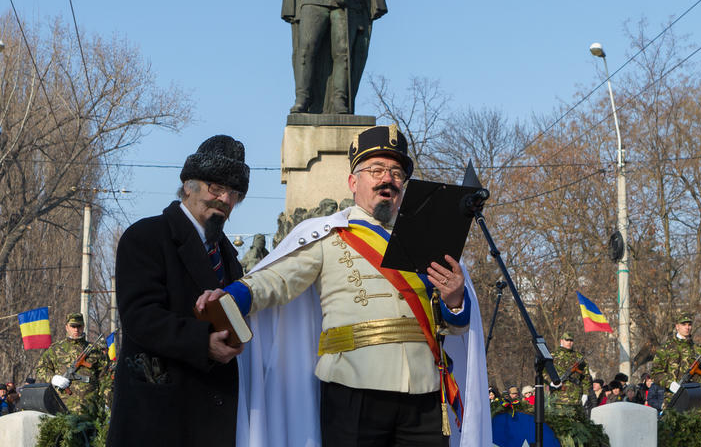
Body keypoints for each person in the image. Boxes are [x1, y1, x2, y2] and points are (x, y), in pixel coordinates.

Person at [197, 124, 490, 446]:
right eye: (376, 170)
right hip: (353, 386)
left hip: (425, 390)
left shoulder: (430, 239)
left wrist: (455, 299)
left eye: (396, 173)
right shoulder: (328, 234)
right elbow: (276, 280)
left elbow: (456, 327)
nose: (387, 179)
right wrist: (231, 298)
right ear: (353, 182)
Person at [107, 135, 249, 447]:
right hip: (158, 419)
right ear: (188, 185)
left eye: (235, 192)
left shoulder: (228, 256)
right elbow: (140, 317)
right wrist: (203, 342)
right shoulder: (146, 236)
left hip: (213, 421)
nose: (225, 199)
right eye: (216, 187)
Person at [35, 312, 108, 415]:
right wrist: (52, 378)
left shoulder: (95, 350)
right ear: (67, 327)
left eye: (79, 326)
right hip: (62, 407)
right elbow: (40, 368)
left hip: (90, 409)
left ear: (83, 326)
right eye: (73, 326)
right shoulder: (55, 349)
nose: (76, 330)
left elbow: (105, 377)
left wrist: (106, 402)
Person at [651, 312, 701, 402]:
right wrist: (670, 384)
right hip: (672, 399)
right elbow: (655, 373)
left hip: (695, 399)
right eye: (683, 324)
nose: (687, 327)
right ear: (677, 326)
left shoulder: (699, 350)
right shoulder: (665, 349)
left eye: (689, 324)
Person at [550, 331, 590, 413]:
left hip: (575, 398)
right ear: (561, 341)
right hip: (558, 397)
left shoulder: (578, 356)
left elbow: (586, 376)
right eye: (567, 340)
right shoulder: (553, 355)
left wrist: (585, 393)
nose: (569, 342)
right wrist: (551, 382)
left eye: (571, 340)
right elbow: (545, 371)